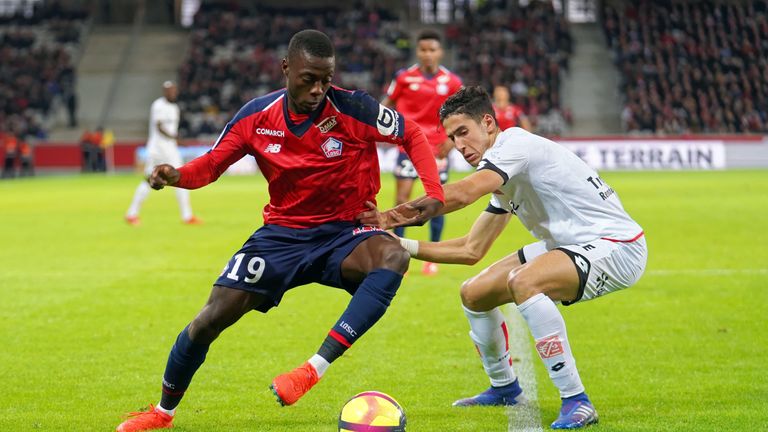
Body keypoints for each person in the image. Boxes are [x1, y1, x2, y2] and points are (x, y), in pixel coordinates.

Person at [115, 29, 444, 432]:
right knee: (208, 320)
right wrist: (177, 175)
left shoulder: (355, 108)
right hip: (281, 237)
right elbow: (213, 164)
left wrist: (434, 194)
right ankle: (162, 413)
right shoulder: (256, 116)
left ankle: (311, 371)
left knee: (393, 256)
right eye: (309, 79)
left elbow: (411, 133)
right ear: (286, 68)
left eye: (326, 79)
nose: (319, 89)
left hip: (345, 232)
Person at [359, 86, 647, 429]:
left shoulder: (515, 146)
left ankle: (577, 400)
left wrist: (388, 218)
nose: (459, 145)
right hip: (570, 243)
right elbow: (470, 250)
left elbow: (463, 193)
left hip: (617, 245)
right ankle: (504, 388)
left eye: (463, 132)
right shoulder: (502, 176)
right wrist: (400, 245)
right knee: (475, 292)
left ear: (488, 123)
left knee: (525, 281)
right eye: (452, 137)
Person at [381, 29, 462, 275]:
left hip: (437, 150)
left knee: (437, 201)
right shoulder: (404, 78)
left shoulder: (452, 82)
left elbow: (462, 114)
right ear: (418, 51)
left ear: (440, 52)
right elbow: (387, 105)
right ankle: (399, 254)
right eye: (423, 50)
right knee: (402, 200)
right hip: (408, 146)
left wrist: (453, 139)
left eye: (432, 49)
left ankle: (433, 257)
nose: (427, 54)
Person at [125, 81, 200, 226]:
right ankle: (131, 214)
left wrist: (175, 140)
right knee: (149, 180)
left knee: (181, 177)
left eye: (174, 91)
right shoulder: (158, 105)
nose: (173, 93)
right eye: (170, 91)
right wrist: (176, 138)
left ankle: (187, 216)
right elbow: (159, 127)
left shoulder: (175, 108)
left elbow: (171, 129)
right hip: (157, 150)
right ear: (164, 92)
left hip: (170, 150)